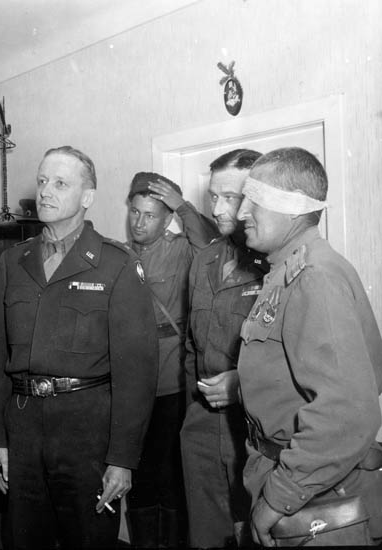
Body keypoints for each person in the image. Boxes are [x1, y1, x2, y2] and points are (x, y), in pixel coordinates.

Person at [0, 146, 158, 549]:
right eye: (43, 181)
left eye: (60, 183)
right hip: (22, 428)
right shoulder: (14, 260)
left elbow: (137, 373)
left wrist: (122, 459)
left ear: (87, 197)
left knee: (90, 539)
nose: (46, 191)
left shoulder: (116, 265)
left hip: (87, 432)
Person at [236, 147, 382, 546]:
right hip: (296, 474)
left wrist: (278, 497)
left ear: (295, 207)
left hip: (314, 490)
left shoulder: (313, 277)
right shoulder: (286, 271)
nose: (240, 213)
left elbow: (347, 412)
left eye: (255, 200)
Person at [124, 172, 217, 547]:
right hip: (132, 382)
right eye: (135, 212)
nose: (139, 222)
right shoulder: (120, 253)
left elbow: (212, 243)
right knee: (138, 473)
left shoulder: (182, 249)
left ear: (167, 221)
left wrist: (183, 205)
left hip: (171, 382)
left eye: (150, 215)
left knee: (173, 474)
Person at [180, 149, 266, 548]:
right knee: (206, 536)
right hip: (200, 424)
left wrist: (243, 382)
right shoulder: (205, 259)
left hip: (252, 427)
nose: (216, 208)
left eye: (228, 197)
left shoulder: (276, 263)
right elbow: (190, 346)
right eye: (213, 196)